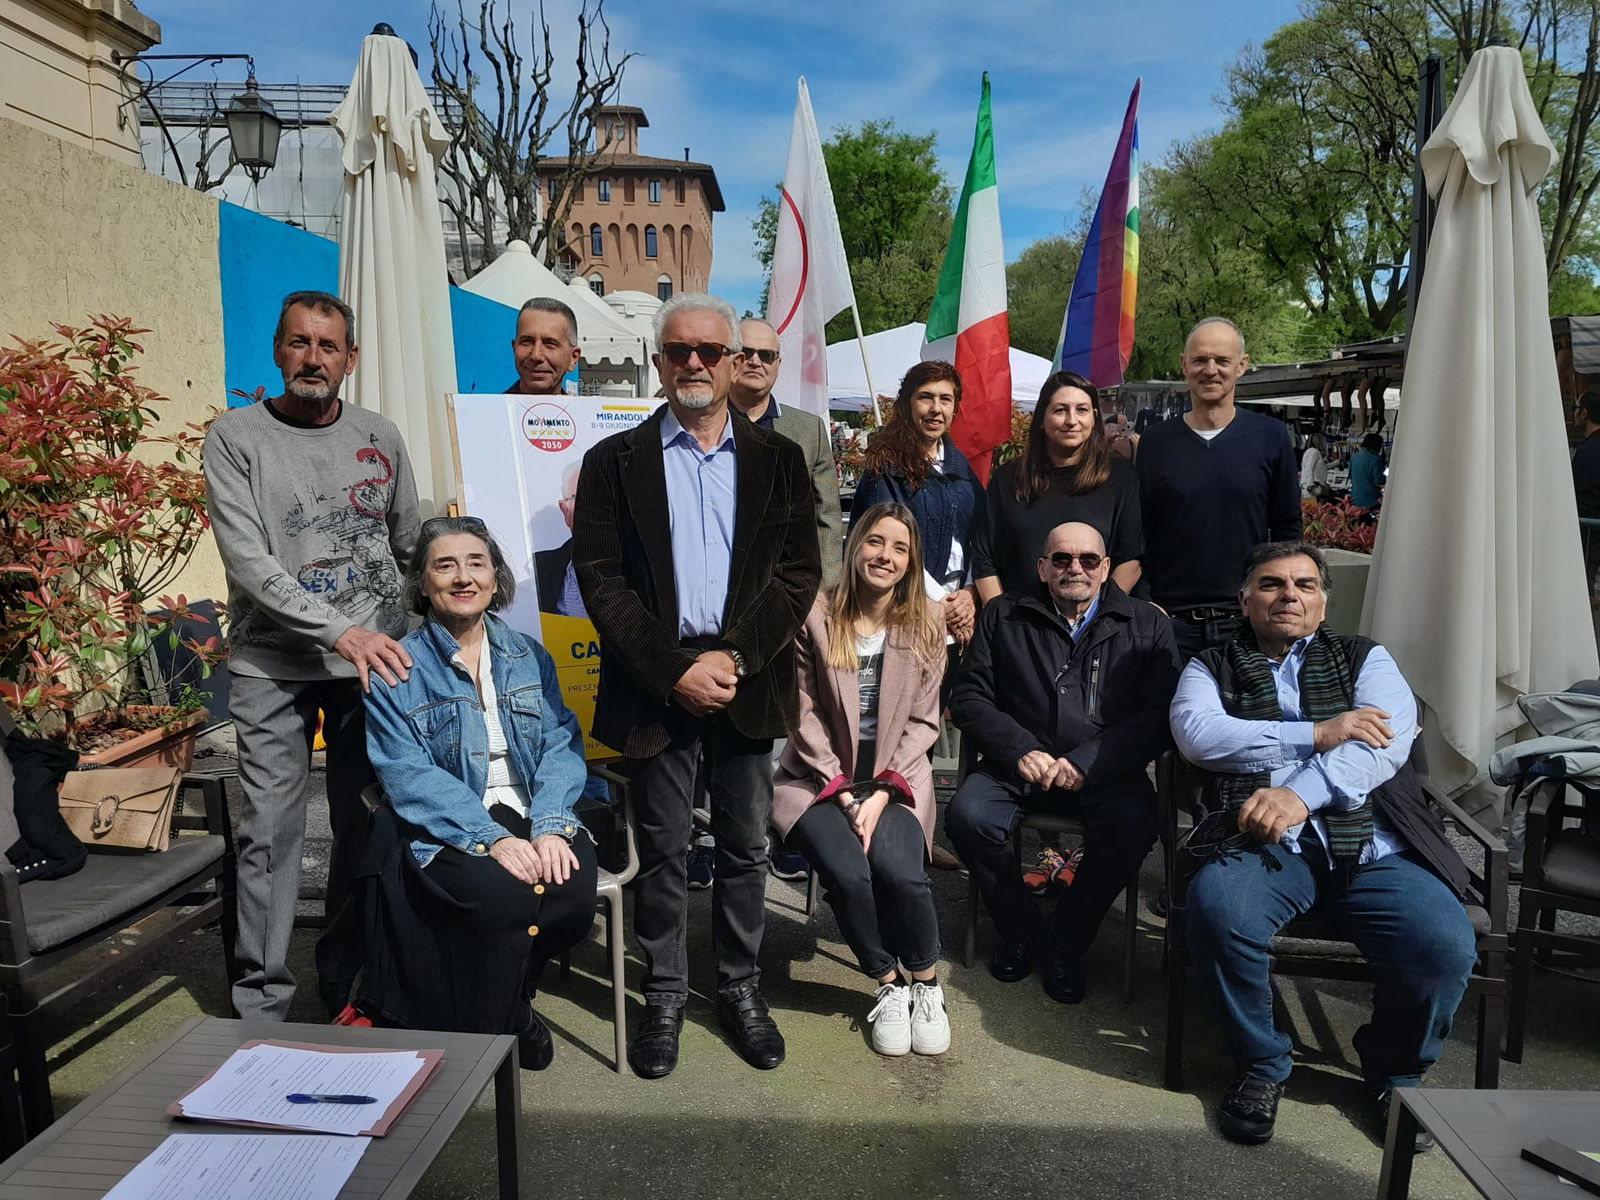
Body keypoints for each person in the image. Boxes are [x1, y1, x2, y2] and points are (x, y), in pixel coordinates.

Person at [573, 292, 821, 1079]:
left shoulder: (779, 459)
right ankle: (667, 995)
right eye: (679, 351)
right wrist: (676, 669)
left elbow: (797, 575)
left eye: (711, 352)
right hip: (657, 682)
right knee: (663, 851)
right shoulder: (613, 462)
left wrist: (735, 659)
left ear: (733, 362)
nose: (695, 364)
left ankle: (742, 988)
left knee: (747, 849)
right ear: (657, 360)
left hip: (748, 682)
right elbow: (601, 579)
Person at [1170, 540, 1476, 1148]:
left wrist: (1300, 794)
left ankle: (1395, 1071)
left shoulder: (1367, 659)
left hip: (1374, 846)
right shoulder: (1211, 665)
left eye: (1305, 585)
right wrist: (1318, 731)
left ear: (1323, 601)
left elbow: (1383, 743)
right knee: (1219, 909)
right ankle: (1261, 1062)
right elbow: (1200, 736)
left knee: (1442, 944)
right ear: (1244, 598)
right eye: (1272, 584)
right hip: (1266, 843)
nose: (1289, 596)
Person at [203, 289, 421, 1020]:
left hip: (370, 666)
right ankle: (261, 999)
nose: (313, 358)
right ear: (277, 350)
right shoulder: (236, 437)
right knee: (270, 826)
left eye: (328, 346)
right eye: (299, 343)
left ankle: (348, 976)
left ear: (350, 358)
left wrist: (437, 619)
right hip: (273, 663)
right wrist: (340, 631)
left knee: (363, 826)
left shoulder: (380, 435)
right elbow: (247, 559)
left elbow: (407, 543)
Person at [359, 517, 596, 1067]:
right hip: (453, 818)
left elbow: (561, 741)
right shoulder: (396, 665)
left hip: (535, 808)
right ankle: (508, 1020)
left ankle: (507, 1002)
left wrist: (552, 824)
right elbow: (406, 771)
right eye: (444, 566)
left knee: (573, 897)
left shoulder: (529, 655)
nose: (462, 577)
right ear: (421, 582)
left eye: (476, 563)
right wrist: (490, 838)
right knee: (504, 896)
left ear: (495, 577)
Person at [946, 521, 1179, 1003]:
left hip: (1107, 773)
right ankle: (1019, 930)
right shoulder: (1004, 614)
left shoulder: (1146, 623)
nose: (1076, 568)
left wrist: (1088, 761)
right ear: (1042, 567)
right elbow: (968, 697)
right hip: (1017, 767)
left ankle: (1065, 942)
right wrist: (1020, 749)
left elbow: (1160, 714)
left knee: (1137, 824)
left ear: (1106, 568)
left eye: (1088, 560)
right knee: (967, 816)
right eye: (1062, 559)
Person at [772, 502, 949, 1055]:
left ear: (912, 560)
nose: (885, 556)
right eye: (875, 542)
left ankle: (927, 982)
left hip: (896, 781)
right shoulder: (817, 617)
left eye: (899, 548)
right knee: (848, 877)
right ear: (855, 547)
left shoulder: (926, 622)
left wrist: (881, 792)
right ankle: (887, 982)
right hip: (819, 781)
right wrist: (847, 792)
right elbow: (803, 714)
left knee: (901, 872)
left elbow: (925, 721)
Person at [1136, 317, 1302, 661]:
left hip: (1246, 621)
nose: (1210, 370)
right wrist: (1144, 600)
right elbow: (1139, 530)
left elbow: (1287, 529)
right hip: (1169, 622)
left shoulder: (1270, 437)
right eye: (1200, 360)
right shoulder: (1155, 443)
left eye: (1222, 361)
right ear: (1184, 365)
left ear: (1241, 366)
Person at [972, 370, 1143, 601]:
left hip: (1095, 626)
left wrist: (1099, 619)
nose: (1072, 420)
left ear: (1094, 417)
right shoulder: (1008, 479)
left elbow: (1130, 559)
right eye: (1060, 410)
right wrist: (1000, 620)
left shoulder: (1120, 477)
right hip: (1017, 624)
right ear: (1042, 418)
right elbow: (985, 560)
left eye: (1081, 410)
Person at [852, 362, 982, 649]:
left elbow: (980, 537)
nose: (936, 408)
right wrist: (941, 604)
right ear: (908, 403)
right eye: (926, 397)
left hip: (960, 613)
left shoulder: (962, 470)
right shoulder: (885, 466)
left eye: (945, 399)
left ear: (955, 408)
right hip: (902, 614)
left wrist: (970, 594)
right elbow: (883, 547)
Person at [729, 317, 844, 590]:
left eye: (767, 355)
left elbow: (826, 514)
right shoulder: (702, 424)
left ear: (778, 365)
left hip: (786, 589)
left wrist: (824, 589)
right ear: (730, 359)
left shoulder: (808, 430)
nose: (756, 361)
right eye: (746, 353)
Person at [534, 464, 587, 618]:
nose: (594, 505)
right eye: (581, 497)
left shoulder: (646, 563)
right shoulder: (541, 569)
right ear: (565, 509)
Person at [507, 297, 581, 396]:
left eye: (550, 344)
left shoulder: (584, 411)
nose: (536, 356)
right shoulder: (489, 410)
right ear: (514, 348)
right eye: (527, 342)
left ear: (573, 357)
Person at [1569, 390, 1600, 586]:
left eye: (1575, 409)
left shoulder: (1589, 451)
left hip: (1589, 536)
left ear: (1584, 413)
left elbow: (1580, 492)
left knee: (1582, 582)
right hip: (1592, 532)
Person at [1349, 432, 1387, 512]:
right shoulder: (1376, 460)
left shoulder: (1354, 457)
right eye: (1380, 445)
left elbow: (1351, 476)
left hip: (1355, 500)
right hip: (1372, 502)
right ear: (1376, 445)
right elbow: (1379, 481)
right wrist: (1387, 472)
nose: (1380, 448)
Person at [1300, 430, 1330, 502]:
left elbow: (1324, 467)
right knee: (1312, 510)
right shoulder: (1313, 452)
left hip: (1312, 488)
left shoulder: (1313, 452)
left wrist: (1338, 462)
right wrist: (1310, 485)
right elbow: (1309, 468)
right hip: (1312, 489)